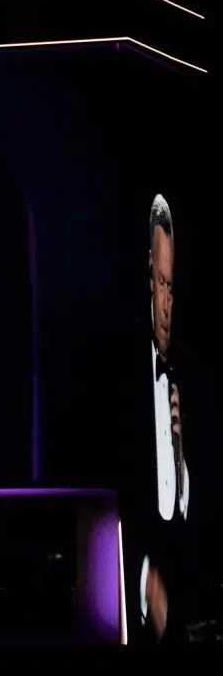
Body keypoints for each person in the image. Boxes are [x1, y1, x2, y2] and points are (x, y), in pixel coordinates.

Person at [132, 195, 196, 643]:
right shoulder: (125, 381)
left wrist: (181, 453)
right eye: (160, 283)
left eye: (172, 287)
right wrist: (144, 585)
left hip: (178, 594)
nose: (167, 301)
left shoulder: (184, 376)